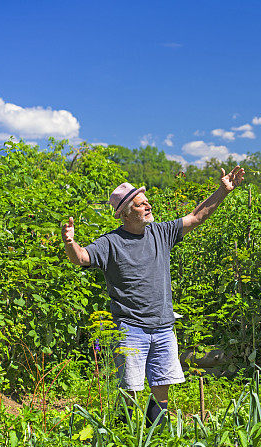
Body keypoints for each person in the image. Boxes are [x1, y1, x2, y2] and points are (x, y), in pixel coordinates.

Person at [61, 167, 245, 425]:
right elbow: (81, 258)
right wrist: (70, 243)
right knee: (130, 392)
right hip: (130, 327)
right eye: (141, 204)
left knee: (162, 391)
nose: (148, 206)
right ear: (125, 213)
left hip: (163, 326)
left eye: (147, 202)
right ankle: (123, 442)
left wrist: (223, 191)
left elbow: (196, 217)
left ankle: (156, 440)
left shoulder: (161, 233)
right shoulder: (110, 243)